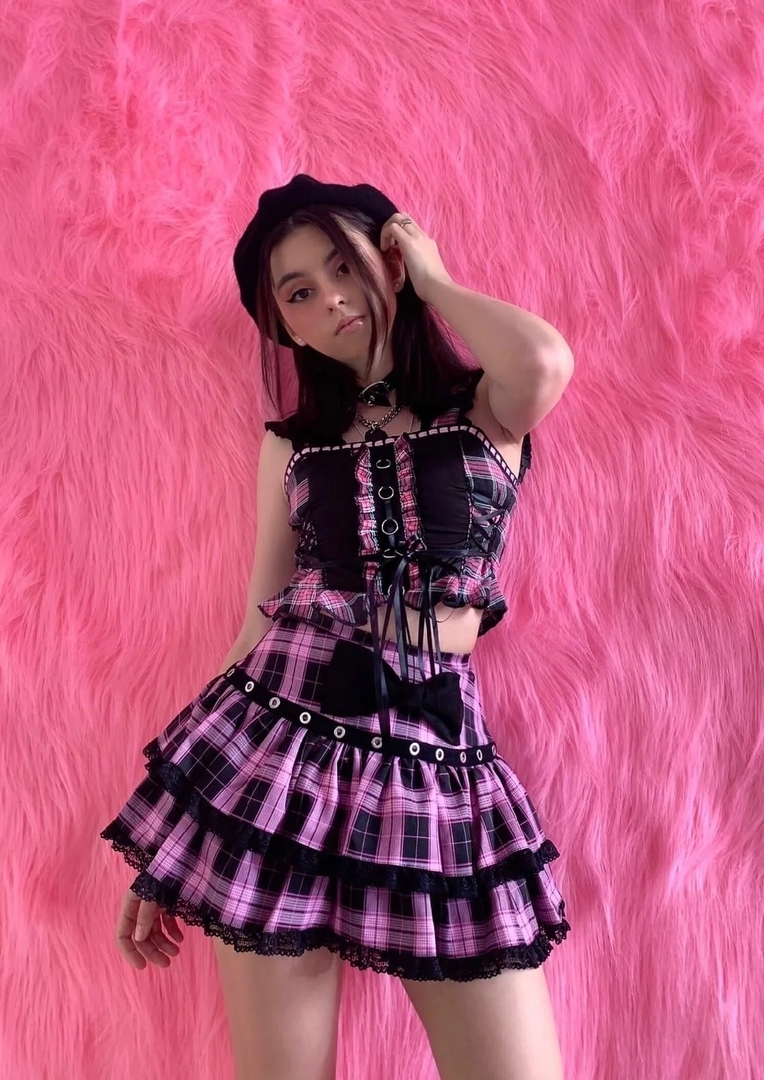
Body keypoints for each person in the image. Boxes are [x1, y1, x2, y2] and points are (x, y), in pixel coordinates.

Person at [101, 174, 575, 1080]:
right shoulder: (292, 443)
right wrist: (176, 848)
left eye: (344, 266)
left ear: (387, 258)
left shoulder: (483, 406)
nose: (330, 299)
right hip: (278, 754)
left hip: (434, 755)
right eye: (298, 292)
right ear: (282, 327)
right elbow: (258, 620)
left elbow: (545, 361)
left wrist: (432, 277)